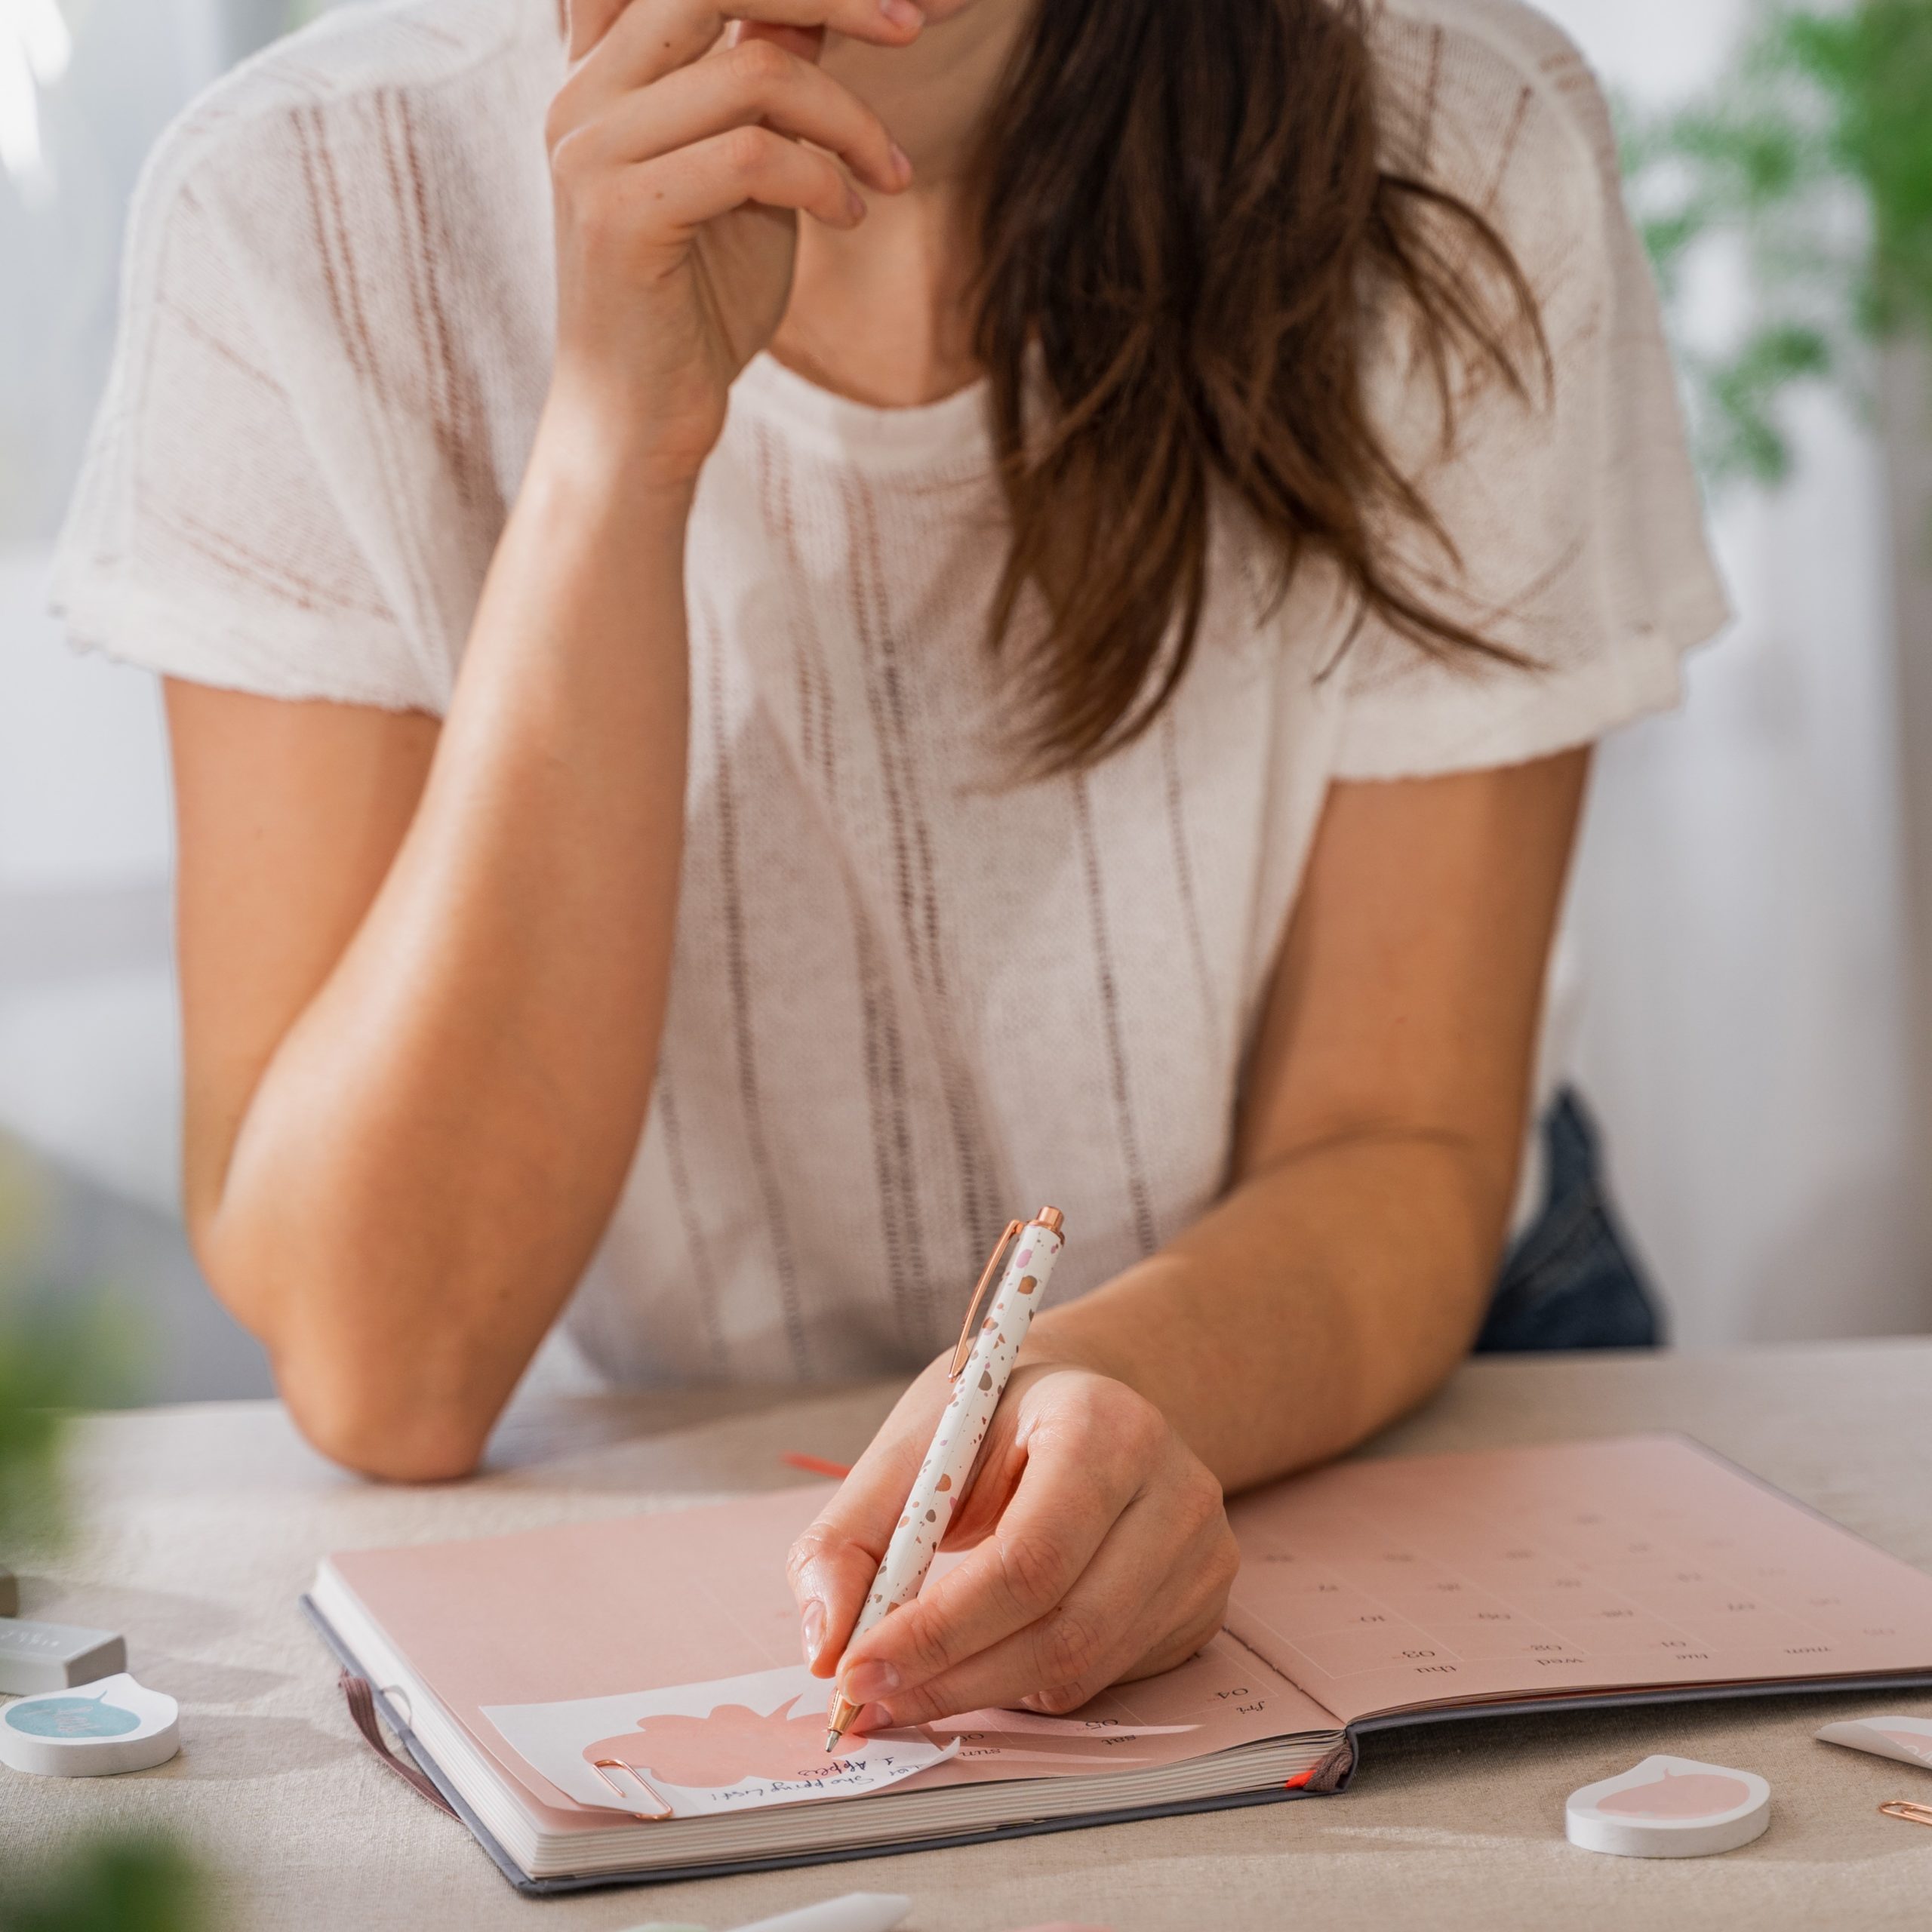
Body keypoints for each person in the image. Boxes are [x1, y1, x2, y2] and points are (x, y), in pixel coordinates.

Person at [52, 0, 1726, 1733]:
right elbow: (388, 1357)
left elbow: (1396, 1135)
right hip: (709, 1468)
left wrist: (1091, 1386)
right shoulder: (298, 204)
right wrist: (616, 446)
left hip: (1365, 1376)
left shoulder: (1449, 126)